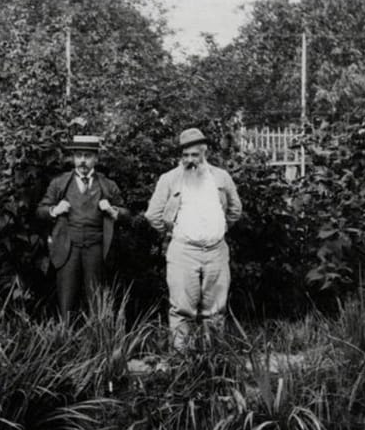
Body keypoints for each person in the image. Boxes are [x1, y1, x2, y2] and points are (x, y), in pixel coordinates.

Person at [144, 128, 242, 350]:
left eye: (194, 155)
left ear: (204, 152)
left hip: (216, 251)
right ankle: (182, 361)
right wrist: (172, 232)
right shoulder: (169, 179)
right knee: (182, 309)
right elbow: (153, 214)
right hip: (183, 252)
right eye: (185, 155)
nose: (190, 161)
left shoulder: (220, 177)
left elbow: (235, 209)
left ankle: (213, 360)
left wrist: (221, 227)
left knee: (216, 310)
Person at [36, 135, 128, 319]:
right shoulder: (60, 183)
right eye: (78, 156)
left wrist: (112, 210)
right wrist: (54, 209)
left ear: (96, 159)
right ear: (73, 158)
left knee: (96, 298)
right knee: (66, 299)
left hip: (96, 247)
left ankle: (97, 340)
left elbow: (127, 214)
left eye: (87, 156)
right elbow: (40, 211)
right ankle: (65, 340)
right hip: (68, 247)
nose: (82, 161)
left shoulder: (107, 185)